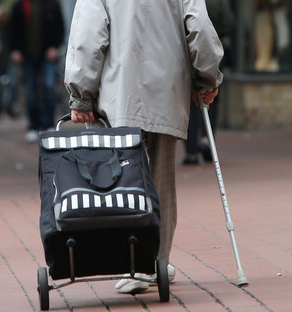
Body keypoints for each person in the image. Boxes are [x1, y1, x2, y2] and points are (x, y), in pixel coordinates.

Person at [65, 0, 223, 294]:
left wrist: (81, 94)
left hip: (118, 95)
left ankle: (132, 259)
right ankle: (156, 262)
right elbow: (199, 28)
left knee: (119, 178)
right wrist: (208, 78)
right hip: (167, 94)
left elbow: (87, 37)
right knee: (161, 179)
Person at [183, 0, 235, 165]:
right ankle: (206, 139)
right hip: (211, 52)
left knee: (190, 104)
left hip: (186, 54)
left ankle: (191, 150)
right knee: (209, 98)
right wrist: (216, 33)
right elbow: (229, 23)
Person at [9, 0, 64, 143]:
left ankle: (49, 123)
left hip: (47, 56)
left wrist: (55, 48)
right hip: (27, 56)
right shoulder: (20, 6)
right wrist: (14, 50)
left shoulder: (51, 5)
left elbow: (60, 28)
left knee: (49, 87)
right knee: (30, 91)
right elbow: (12, 30)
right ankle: (33, 126)